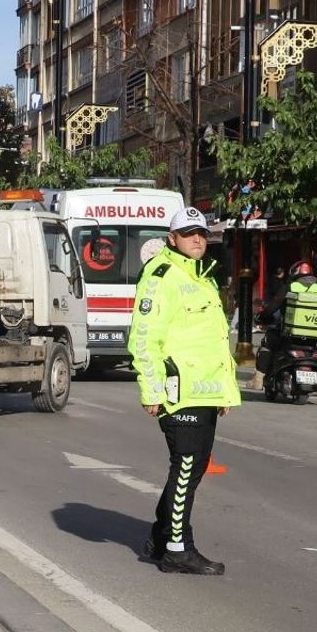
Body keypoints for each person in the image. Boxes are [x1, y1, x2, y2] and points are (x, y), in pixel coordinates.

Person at [127, 208, 241, 576]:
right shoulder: (162, 277)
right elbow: (144, 338)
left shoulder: (203, 278)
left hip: (205, 391)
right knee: (186, 466)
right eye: (188, 233)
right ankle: (177, 548)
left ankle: (163, 537)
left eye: (202, 234)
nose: (197, 239)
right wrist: (151, 388)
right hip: (179, 392)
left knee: (192, 471)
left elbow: (214, 342)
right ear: (171, 238)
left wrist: (224, 391)